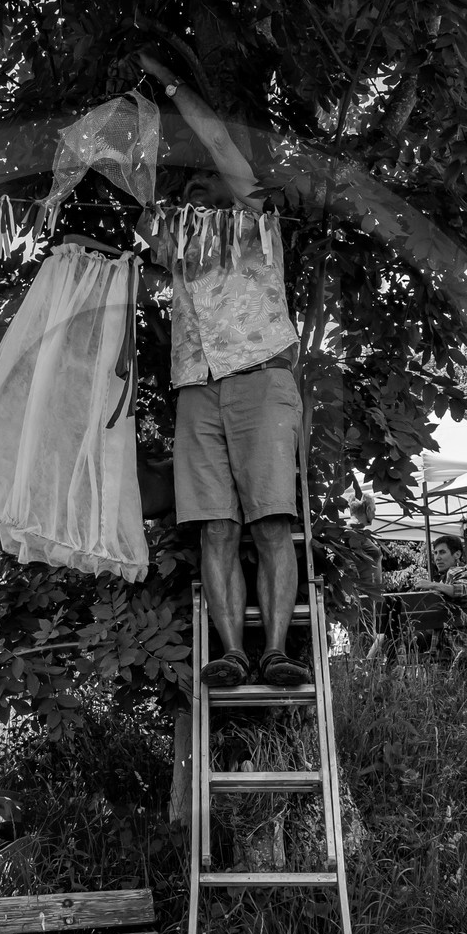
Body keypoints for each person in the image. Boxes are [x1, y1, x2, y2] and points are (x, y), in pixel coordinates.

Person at [131, 48, 314, 689]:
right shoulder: (176, 254)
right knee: (214, 526)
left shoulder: (257, 223)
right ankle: (234, 652)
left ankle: (279, 651)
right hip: (196, 388)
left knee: (269, 521)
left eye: (203, 184)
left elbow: (219, 144)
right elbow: (140, 199)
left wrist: (171, 84)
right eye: (185, 191)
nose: (193, 192)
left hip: (261, 377)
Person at [413, 533, 467, 599]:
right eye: (435, 553)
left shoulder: (459, 571)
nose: (437, 558)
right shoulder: (448, 575)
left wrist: (431, 585)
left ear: (457, 554)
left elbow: (466, 590)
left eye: (442, 552)